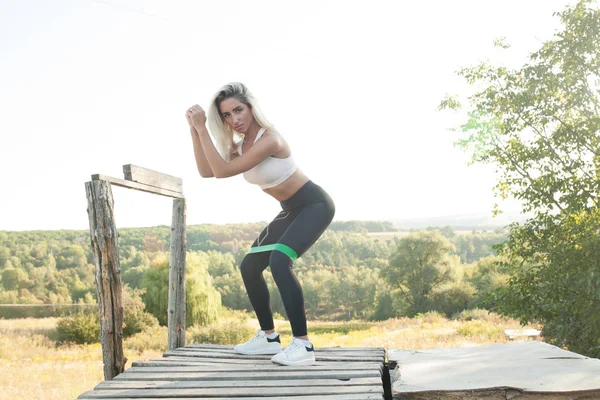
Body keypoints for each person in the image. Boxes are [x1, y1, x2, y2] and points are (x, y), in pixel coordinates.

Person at [185, 82, 335, 366]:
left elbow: (222, 171)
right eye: (227, 115)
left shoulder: (271, 140)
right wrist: (195, 130)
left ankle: (303, 345)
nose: (235, 119)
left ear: (251, 107)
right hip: (290, 209)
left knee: (279, 261)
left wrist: (203, 128)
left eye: (238, 110)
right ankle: (268, 338)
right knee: (250, 266)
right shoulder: (240, 147)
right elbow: (206, 171)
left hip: (314, 205)